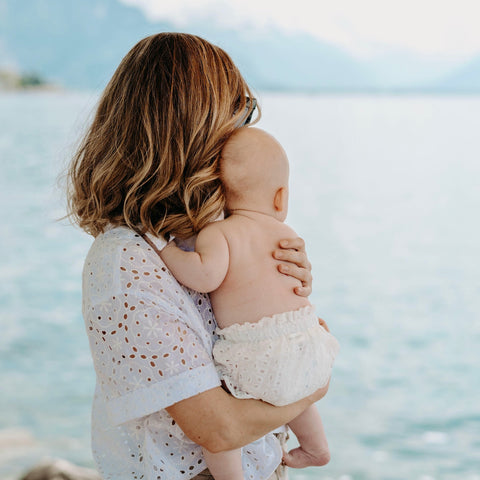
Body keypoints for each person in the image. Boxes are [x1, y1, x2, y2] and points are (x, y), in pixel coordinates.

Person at [67, 33, 330, 480]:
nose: (246, 133)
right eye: (240, 114)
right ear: (197, 129)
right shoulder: (126, 259)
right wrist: (312, 386)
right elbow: (220, 427)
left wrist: (288, 289)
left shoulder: (206, 234)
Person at [160, 127, 339, 480]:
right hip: (305, 339)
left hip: (256, 351)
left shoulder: (220, 233)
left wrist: (165, 251)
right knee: (295, 390)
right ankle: (316, 447)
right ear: (280, 198)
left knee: (219, 432)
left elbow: (205, 276)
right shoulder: (288, 235)